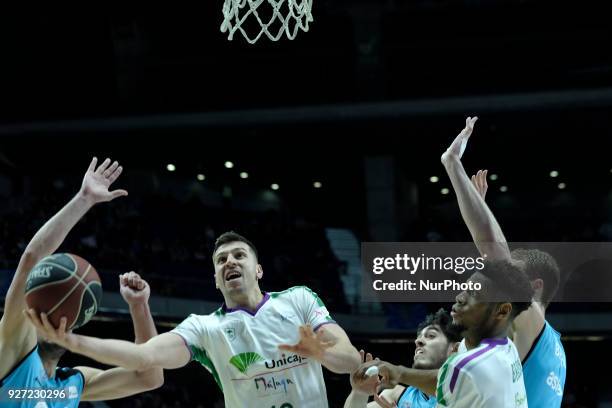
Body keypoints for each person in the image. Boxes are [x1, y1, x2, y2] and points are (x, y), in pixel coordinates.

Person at [28, 231, 361, 407]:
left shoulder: (299, 299)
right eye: (221, 260)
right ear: (216, 278)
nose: (230, 261)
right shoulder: (204, 328)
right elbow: (145, 357)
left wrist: (322, 353)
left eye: (239, 255)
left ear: (258, 269)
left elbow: (349, 362)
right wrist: (72, 341)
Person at [0, 157, 163, 407]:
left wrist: (139, 307)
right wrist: (84, 199)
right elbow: (31, 261)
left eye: (61, 322)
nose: (57, 326)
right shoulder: (12, 357)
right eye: (48, 319)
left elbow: (150, 377)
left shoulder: (71, 385)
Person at [441, 116, 566, 406]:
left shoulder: (531, 320)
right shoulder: (548, 343)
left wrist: (452, 164)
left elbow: (494, 253)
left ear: (534, 288)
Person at [355, 260, 534, 408]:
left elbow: (452, 377)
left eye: (473, 293)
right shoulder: (506, 347)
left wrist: (401, 374)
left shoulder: (470, 366)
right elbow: (445, 379)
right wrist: (400, 373)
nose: (460, 297)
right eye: (464, 288)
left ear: (502, 311)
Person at [344, 308, 461, 408]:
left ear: (455, 349)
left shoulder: (467, 391)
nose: (418, 341)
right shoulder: (396, 395)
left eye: (431, 336)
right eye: (419, 337)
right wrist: (359, 392)